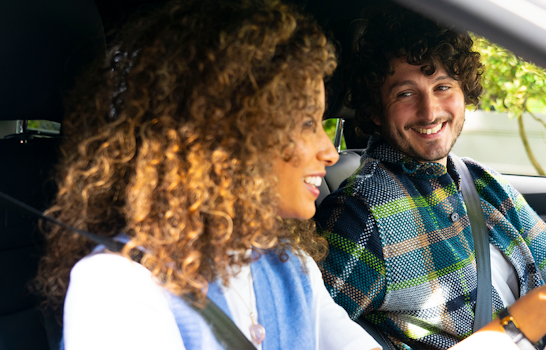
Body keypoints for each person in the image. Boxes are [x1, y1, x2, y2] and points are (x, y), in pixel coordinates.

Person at [314, 5, 546, 349]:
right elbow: (311, 326)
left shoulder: (478, 179)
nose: (430, 112)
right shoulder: (359, 218)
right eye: (406, 94)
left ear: (464, 93)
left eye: (443, 87)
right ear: (376, 111)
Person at [32, 1, 383, 349]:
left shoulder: (291, 265)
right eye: (307, 123)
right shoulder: (116, 286)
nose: (330, 151)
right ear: (225, 137)